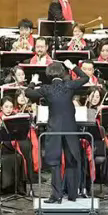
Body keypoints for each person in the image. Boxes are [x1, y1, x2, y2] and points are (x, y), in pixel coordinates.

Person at [25, 60, 92, 202]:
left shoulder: (46, 89)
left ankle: (56, 196)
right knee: (71, 160)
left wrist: (33, 82)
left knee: (55, 162)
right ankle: (72, 195)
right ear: (63, 73)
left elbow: (28, 92)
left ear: (48, 75)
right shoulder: (69, 85)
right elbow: (86, 78)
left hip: (54, 129)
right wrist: (72, 66)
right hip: (70, 128)